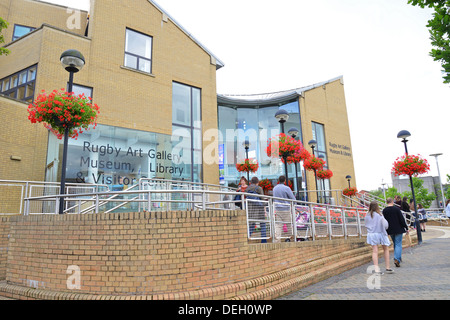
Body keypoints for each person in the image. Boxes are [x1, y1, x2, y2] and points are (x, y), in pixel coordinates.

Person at [365, 201, 393, 275]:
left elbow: (366, 224)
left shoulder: (367, 215)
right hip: (380, 233)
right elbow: (385, 225)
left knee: (374, 251)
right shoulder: (379, 215)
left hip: (371, 234)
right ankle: (387, 267)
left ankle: (377, 269)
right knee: (386, 249)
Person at [382, 198, 409, 267]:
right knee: (398, 244)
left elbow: (384, 221)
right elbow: (401, 219)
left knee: (395, 243)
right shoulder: (397, 209)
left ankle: (398, 257)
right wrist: (406, 227)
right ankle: (397, 258)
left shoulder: (384, 210)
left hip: (390, 230)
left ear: (386, 202)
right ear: (392, 202)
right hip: (398, 229)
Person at [272, 175, 296, 242]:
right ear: (285, 181)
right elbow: (293, 198)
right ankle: (290, 238)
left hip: (277, 209)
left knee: (278, 225)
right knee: (288, 224)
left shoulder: (274, 188)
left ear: (279, 180)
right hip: (286, 209)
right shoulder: (287, 188)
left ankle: (277, 240)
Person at [246, 177, 267, 242]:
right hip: (259, 209)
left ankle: (246, 238)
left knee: (252, 224)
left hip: (251, 209)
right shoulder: (259, 188)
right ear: (257, 182)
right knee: (263, 224)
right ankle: (263, 241)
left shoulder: (247, 188)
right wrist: (265, 207)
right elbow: (262, 199)